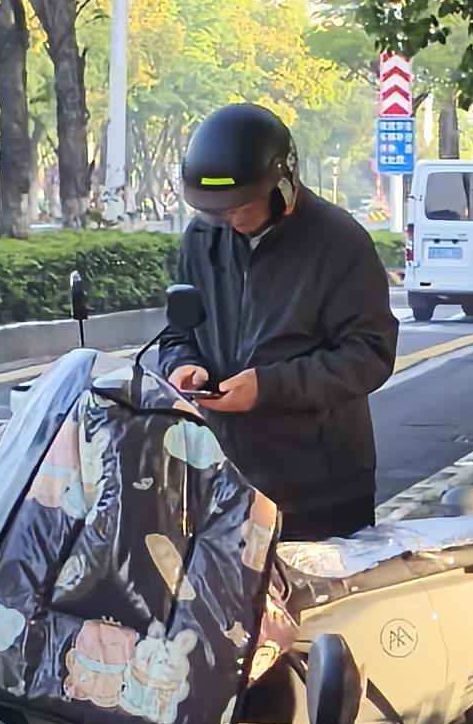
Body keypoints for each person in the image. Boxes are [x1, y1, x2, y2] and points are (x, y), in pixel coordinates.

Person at [162, 102, 398, 540]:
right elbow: (179, 331)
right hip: (220, 477)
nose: (229, 218)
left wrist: (269, 387)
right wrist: (182, 365)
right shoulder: (203, 236)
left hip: (318, 488)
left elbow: (369, 355)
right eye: (217, 209)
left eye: (240, 206)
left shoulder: (338, 242)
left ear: (283, 188)